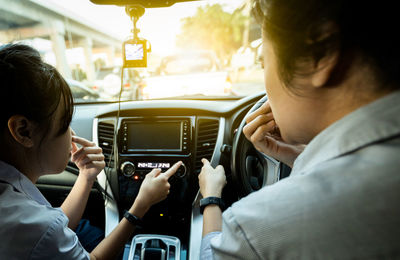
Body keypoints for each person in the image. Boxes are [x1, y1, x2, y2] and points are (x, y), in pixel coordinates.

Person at [199, 0, 400, 258]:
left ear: (320, 54)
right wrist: (299, 158)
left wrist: (211, 198)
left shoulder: (255, 228)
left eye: (263, 63)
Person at [0, 43, 182, 259]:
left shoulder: (22, 215)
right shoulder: (31, 225)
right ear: (23, 131)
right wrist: (139, 207)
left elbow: (55, 228)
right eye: (66, 122)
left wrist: (86, 177)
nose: (72, 132)